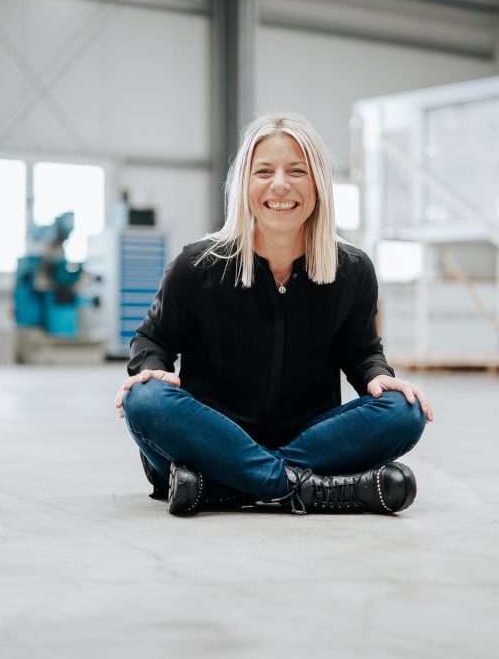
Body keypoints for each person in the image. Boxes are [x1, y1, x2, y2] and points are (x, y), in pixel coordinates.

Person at [115, 113, 432, 516]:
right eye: (264, 171)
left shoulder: (353, 269)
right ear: (245, 184)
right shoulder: (196, 266)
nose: (280, 184)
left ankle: (222, 488)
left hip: (308, 440)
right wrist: (152, 366)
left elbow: (361, 351)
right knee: (145, 399)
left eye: (296, 171)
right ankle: (307, 489)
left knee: (406, 410)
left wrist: (378, 376)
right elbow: (151, 342)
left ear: (318, 183)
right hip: (210, 438)